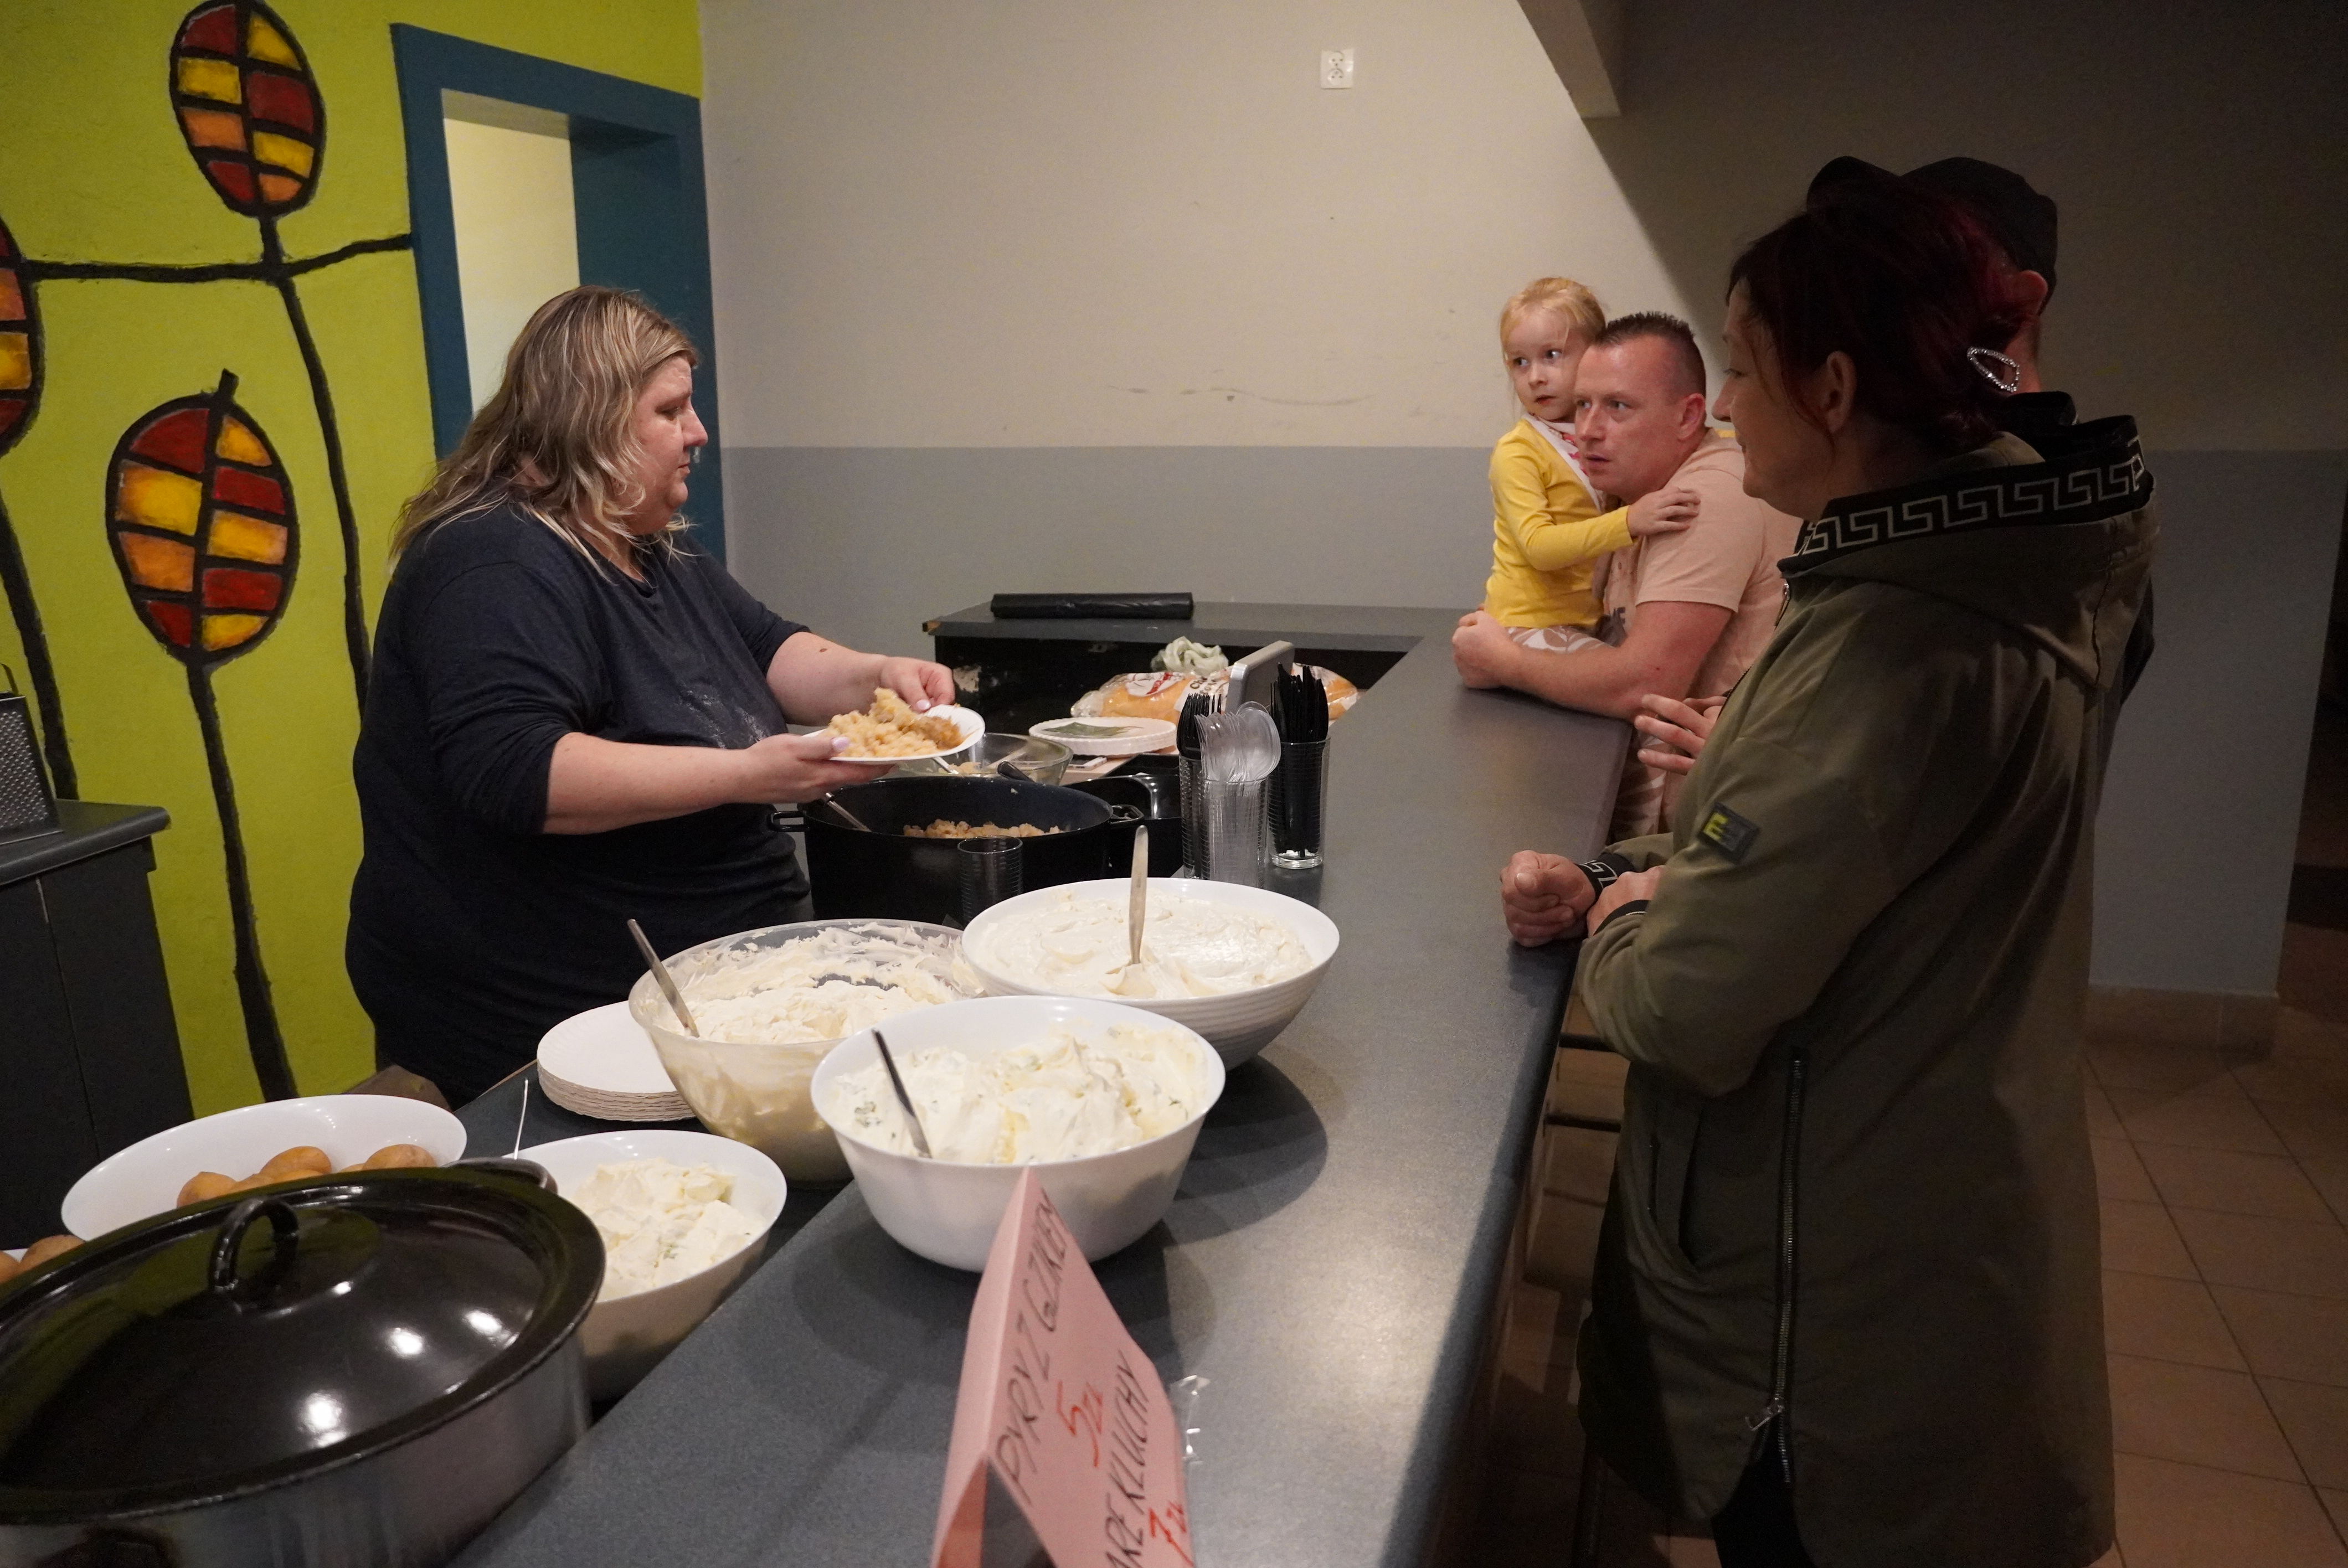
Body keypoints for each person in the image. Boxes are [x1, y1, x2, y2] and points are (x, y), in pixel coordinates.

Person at [1500, 174, 2155, 1566]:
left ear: (1836, 388)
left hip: (1836, 1282)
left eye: (1743, 369)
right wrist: (1658, 861)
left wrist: (1616, 905)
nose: (1730, 407)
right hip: (1945, 1186)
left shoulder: (1889, 641)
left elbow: (1683, 1007)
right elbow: (1839, 865)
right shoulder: (2000, 560)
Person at [348, 286, 949, 1105]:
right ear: (586, 422)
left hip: (721, 960)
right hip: (548, 1002)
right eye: (669, 411)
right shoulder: (491, 563)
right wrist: (748, 775)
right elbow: (519, 772)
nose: (697, 432)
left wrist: (879, 678)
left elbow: (768, 649)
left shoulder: (643, 541)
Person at [1453, 313, 1800, 834]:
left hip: (1719, 820)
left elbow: (1645, 683)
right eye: (1582, 405)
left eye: (1618, 407)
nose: (1588, 430)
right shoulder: (1633, 496)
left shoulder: (1706, 494)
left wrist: (1506, 661)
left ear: (1688, 417)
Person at [1479, 277, 1695, 659]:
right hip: (1532, 621)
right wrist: (1629, 522)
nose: (1535, 377)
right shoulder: (1517, 452)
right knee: (1621, 674)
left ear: (1595, 355)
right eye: (1520, 362)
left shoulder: (1599, 432)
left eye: (1552, 355)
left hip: (1593, 617)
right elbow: (1539, 548)